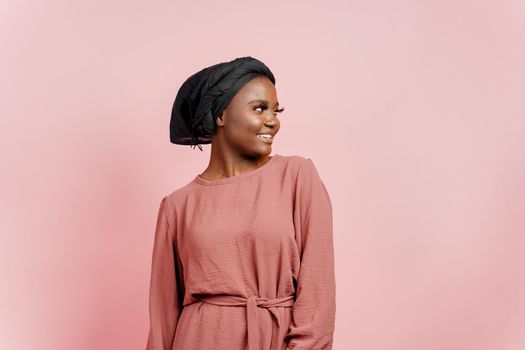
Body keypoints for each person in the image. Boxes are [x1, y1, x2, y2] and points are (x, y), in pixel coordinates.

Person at [145, 56, 336, 350]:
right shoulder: (177, 205)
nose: (272, 121)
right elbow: (163, 318)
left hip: (275, 338)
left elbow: (318, 298)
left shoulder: (297, 176)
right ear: (220, 115)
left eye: (276, 110)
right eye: (259, 108)